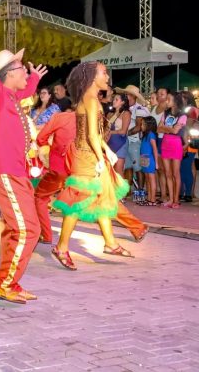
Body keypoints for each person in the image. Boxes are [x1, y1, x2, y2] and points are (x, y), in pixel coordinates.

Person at [0, 44, 47, 303]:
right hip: (6, 171)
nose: (26, 70)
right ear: (9, 74)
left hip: (15, 172)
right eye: (22, 68)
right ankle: (3, 283)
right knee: (27, 230)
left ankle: (8, 282)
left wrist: (35, 78)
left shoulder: (13, 98)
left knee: (20, 229)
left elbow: (26, 90)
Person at [52, 62, 134, 271]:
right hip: (85, 156)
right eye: (104, 73)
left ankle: (110, 242)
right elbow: (90, 135)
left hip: (91, 153)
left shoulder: (93, 99)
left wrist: (107, 151)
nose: (107, 77)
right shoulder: (89, 99)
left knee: (102, 197)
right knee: (78, 199)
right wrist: (100, 157)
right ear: (92, 77)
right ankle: (61, 247)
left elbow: (96, 134)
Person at [33, 98, 76, 245]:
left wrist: (48, 147)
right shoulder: (88, 120)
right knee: (101, 202)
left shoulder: (60, 118)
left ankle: (46, 235)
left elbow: (40, 138)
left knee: (39, 197)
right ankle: (136, 227)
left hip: (59, 168)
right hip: (79, 169)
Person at [115, 85, 150, 194]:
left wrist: (125, 132)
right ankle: (128, 190)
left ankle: (140, 191)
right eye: (125, 94)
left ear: (134, 97)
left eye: (128, 94)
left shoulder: (140, 109)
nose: (126, 96)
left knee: (138, 167)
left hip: (135, 142)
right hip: (125, 142)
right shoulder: (123, 109)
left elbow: (139, 127)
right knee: (128, 166)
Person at [158, 92, 186, 208]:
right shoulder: (165, 113)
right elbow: (158, 129)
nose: (166, 101)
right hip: (165, 143)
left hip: (175, 143)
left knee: (175, 173)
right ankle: (170, 199)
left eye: (169, 99)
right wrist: (168, 128)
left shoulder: (182, 115)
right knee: (167, 173)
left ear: (175, 101)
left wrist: (165, 128)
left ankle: (176, 200)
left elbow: (175, 131)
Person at [105, 93, 131, 175]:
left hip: (120, 143)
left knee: (119, 171)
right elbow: (106, 129)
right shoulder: (110, 114)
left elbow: (123, 131)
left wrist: (110, 132)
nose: (114, 101)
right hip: (110, 143)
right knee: (110, 170)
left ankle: (122, 188)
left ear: (123, 102)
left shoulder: (126, 113)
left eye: (116, 99)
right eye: (113, 99)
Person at [138, 116, 160, 205]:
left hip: (149, 158)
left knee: (151, 179)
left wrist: (157, 162)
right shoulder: (145, 135)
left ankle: (153, 200)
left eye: (143, 124)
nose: (141, 126)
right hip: (144, 158)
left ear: (149, 125)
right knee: (147, 179)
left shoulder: (151, 135)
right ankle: (149, 198)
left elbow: (155, 149)